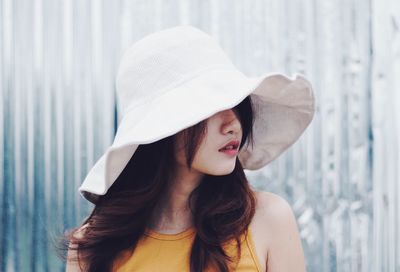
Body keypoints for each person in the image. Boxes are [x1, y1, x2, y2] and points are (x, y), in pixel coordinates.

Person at [60, 25, 315, 272]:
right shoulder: (91, 248)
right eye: (209, 108)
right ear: (159, 127)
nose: (233, 124)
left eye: (235, 103)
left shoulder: (268, 220)